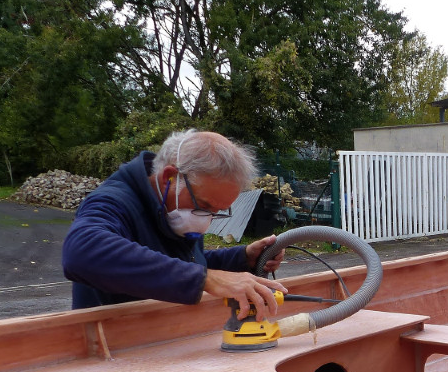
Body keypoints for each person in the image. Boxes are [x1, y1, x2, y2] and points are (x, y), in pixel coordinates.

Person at [62, 129, 286, 320]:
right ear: (169, 177)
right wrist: (205, 279)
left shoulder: (175, 207)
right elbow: (80, 253)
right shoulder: (114, 201)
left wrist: (242, 257)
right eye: (204, 206)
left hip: (162, 346)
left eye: (216, 212)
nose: (205, 219)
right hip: (113, 352)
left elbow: (180, 265)